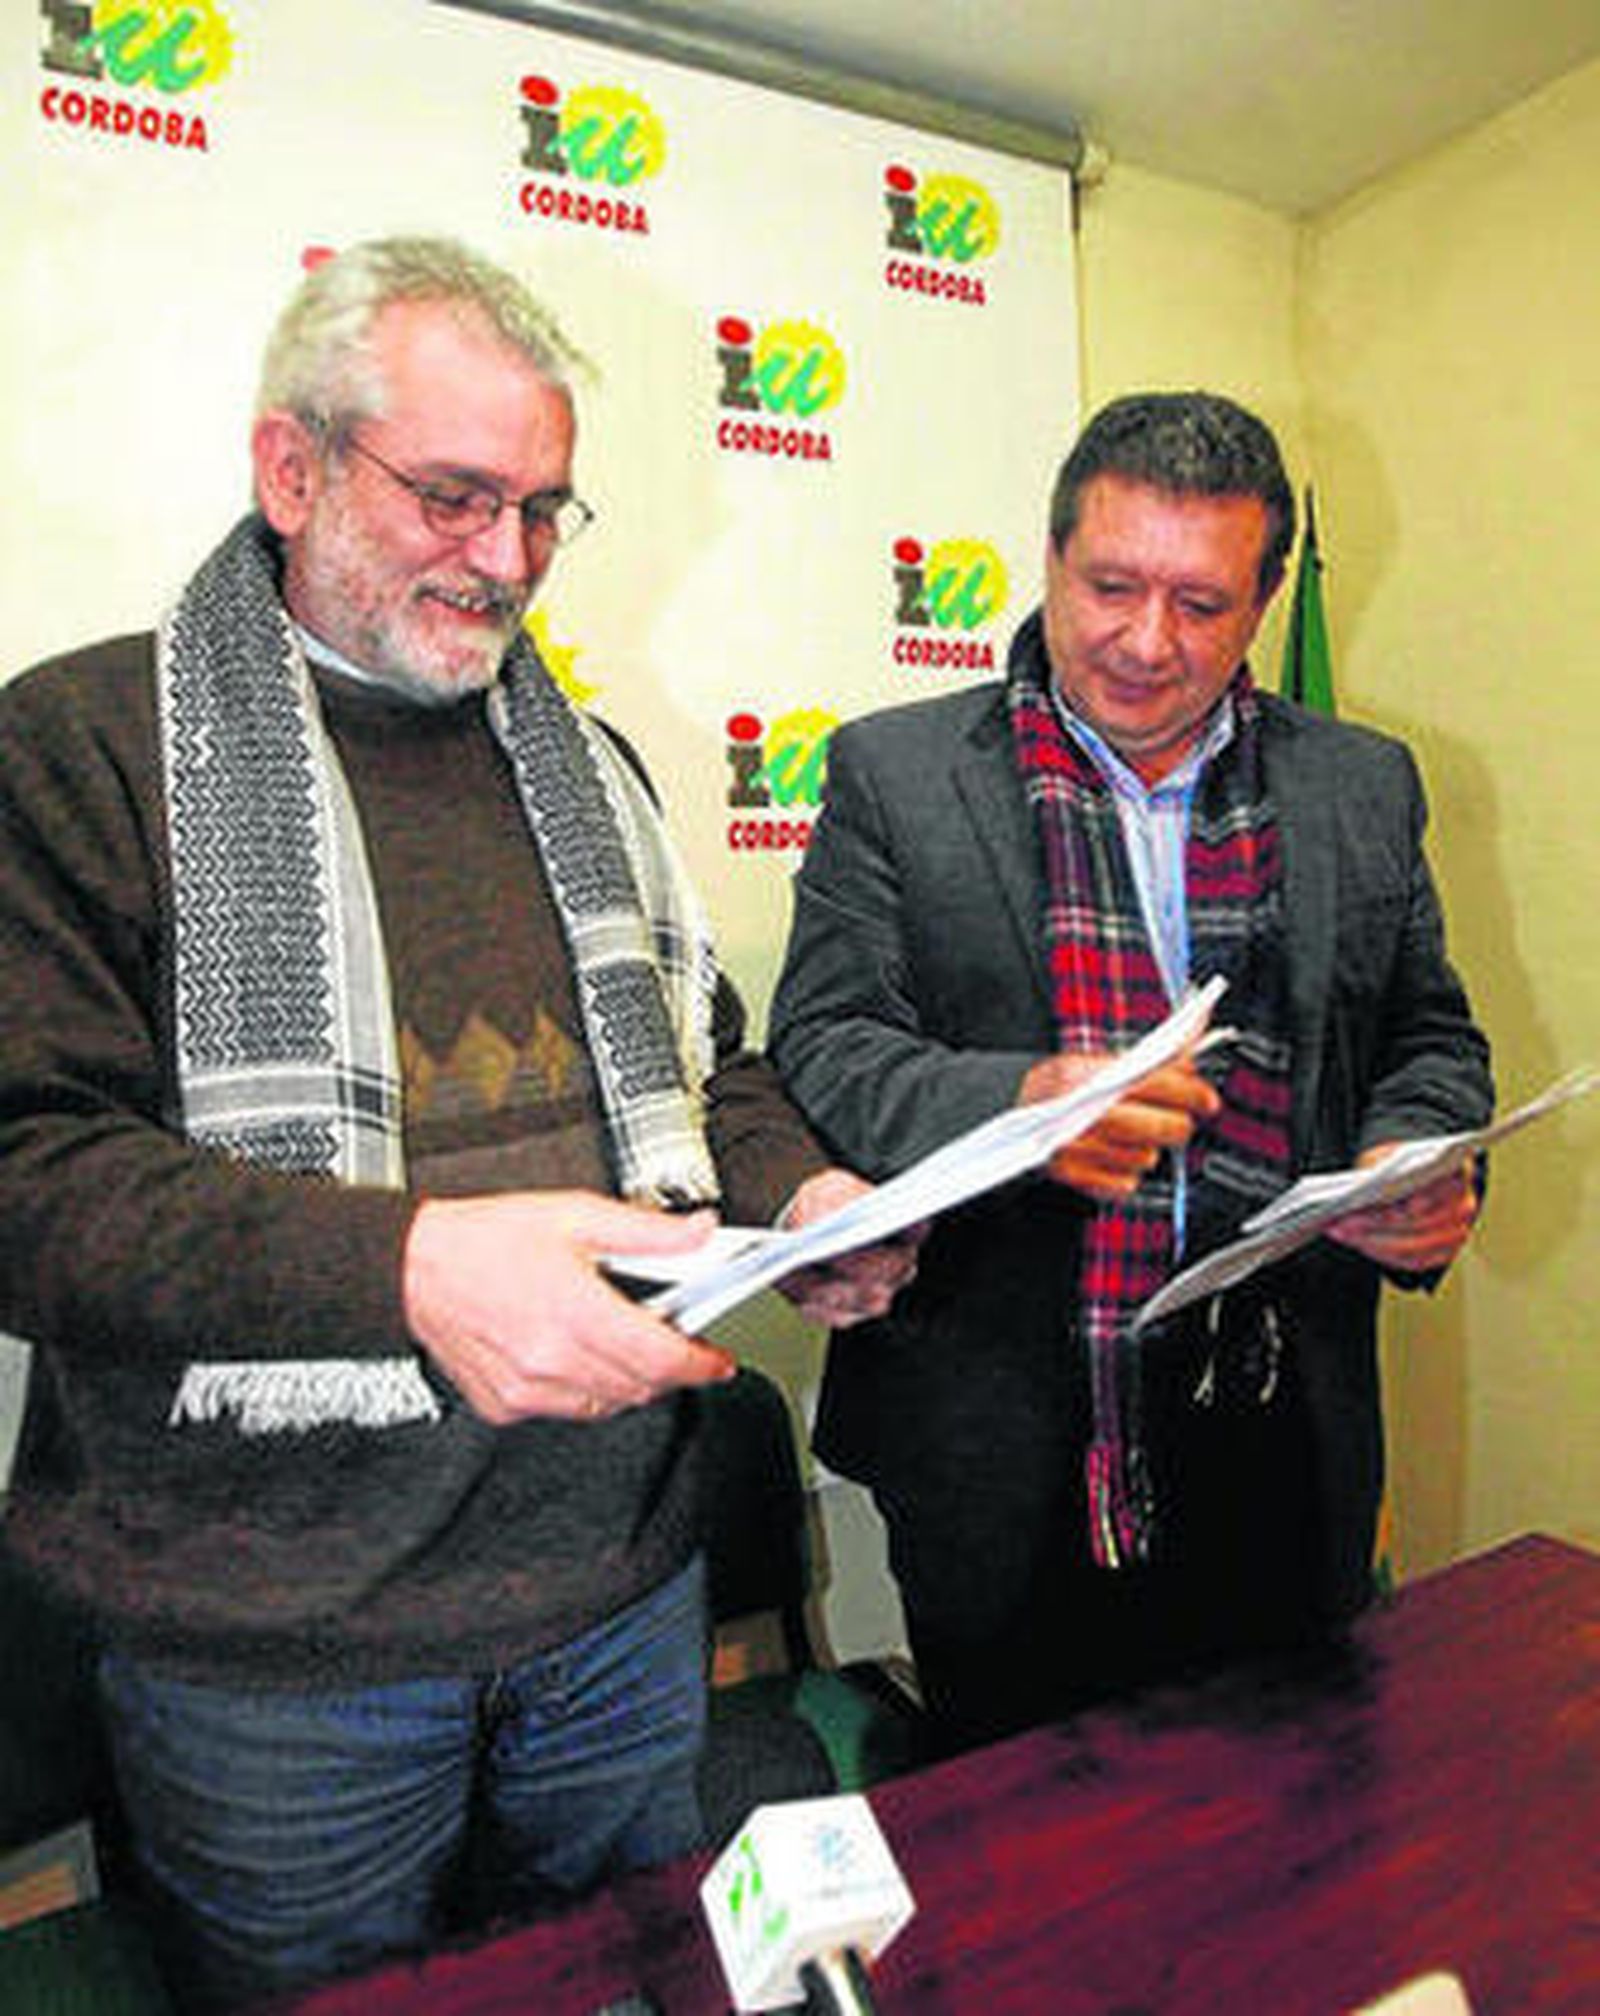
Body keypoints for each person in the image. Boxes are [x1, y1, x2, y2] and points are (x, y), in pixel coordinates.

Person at [0, 235, 913, 2009]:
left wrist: (802, 1189)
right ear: (291, 467)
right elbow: (23, 1174)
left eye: (545, 510)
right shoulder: (83, 749)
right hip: (272, 1672)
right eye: (453, 496)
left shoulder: (600, 768)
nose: (506, 560)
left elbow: (706, 1061)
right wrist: (409, 1267)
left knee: (627, 1987)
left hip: (622, 1609)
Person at [769, 390, 1492, 1755]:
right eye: (1110, 586)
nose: (1147, 644)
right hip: (1005, 1444)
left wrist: (1422, 1156)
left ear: (1264, 602)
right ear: (1049, 561)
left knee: (1293, 1854)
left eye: (1203, 605)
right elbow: (825, 1038)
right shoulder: (898, 772)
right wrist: (1016, 1107)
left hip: (1284, 1437)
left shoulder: (1362, 785)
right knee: (1030, 1881)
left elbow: (1427, 1038)